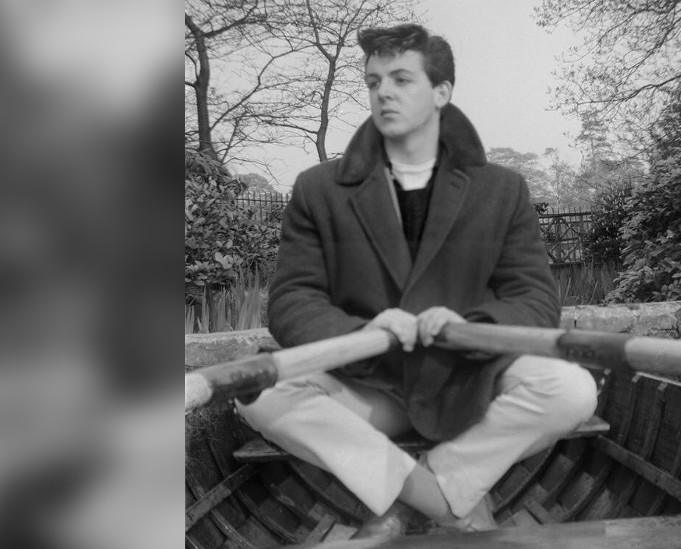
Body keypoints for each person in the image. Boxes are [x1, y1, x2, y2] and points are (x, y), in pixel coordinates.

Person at [236, 23, 598, 540]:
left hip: (469, 387)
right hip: (367, 385)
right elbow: (292, 300)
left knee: (571, 390)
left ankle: (403, 504)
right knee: (259, 395)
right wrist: (363, 333)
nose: (383, 91)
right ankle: (447, 500)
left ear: (442, 92)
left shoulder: (502, 190)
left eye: (402, 79)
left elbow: (536, 299)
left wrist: (467, 326)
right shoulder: (318, 189)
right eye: (373, 81)